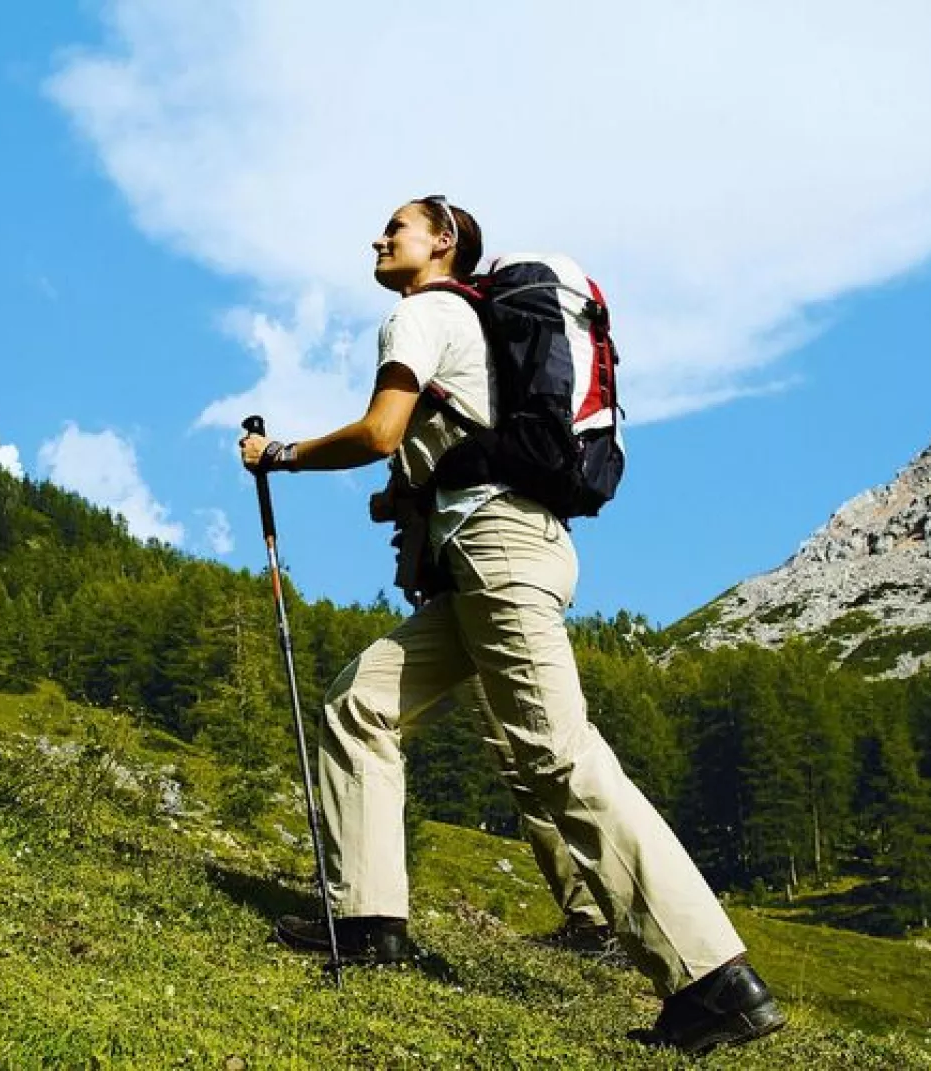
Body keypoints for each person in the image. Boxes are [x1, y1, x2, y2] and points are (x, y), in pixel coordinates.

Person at [238, 196, 784, 1056]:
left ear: (443, 243)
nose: (380, 239)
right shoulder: (472, 330)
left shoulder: (423, 311)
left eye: (398, 227)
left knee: (557, 755)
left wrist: (283, 455)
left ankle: (714, 978)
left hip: (500, 553)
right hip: (493, 557)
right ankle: (370, 922)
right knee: (360, 704)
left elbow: (383, 432)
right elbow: (429, 454)